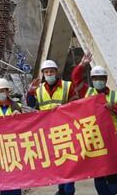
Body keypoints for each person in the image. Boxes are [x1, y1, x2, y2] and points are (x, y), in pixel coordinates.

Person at [72, 54, 117, 195]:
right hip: (94, 141)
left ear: (106, 80)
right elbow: (75, 79)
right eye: (95, 78)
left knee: (113, 175)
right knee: (98, 174)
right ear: (92, 80)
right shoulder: (87, 92)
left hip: (111, 141)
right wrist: (82, 65)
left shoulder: (115, 96)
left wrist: (114, 108)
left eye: (101, 78)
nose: (98, 81)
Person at [27, 59, 77, 195]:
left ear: (56, 72)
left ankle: (69, 191)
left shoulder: (67, 86)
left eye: (51, 71)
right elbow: (32, 105)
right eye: (46, 72)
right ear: (43, 74)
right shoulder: (39, 89)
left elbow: (76, 104)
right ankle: (61, 190)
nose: (49, 74)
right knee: (58, 163)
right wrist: (30, 92)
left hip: (65, 131)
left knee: (68, 162)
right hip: (48, 132)